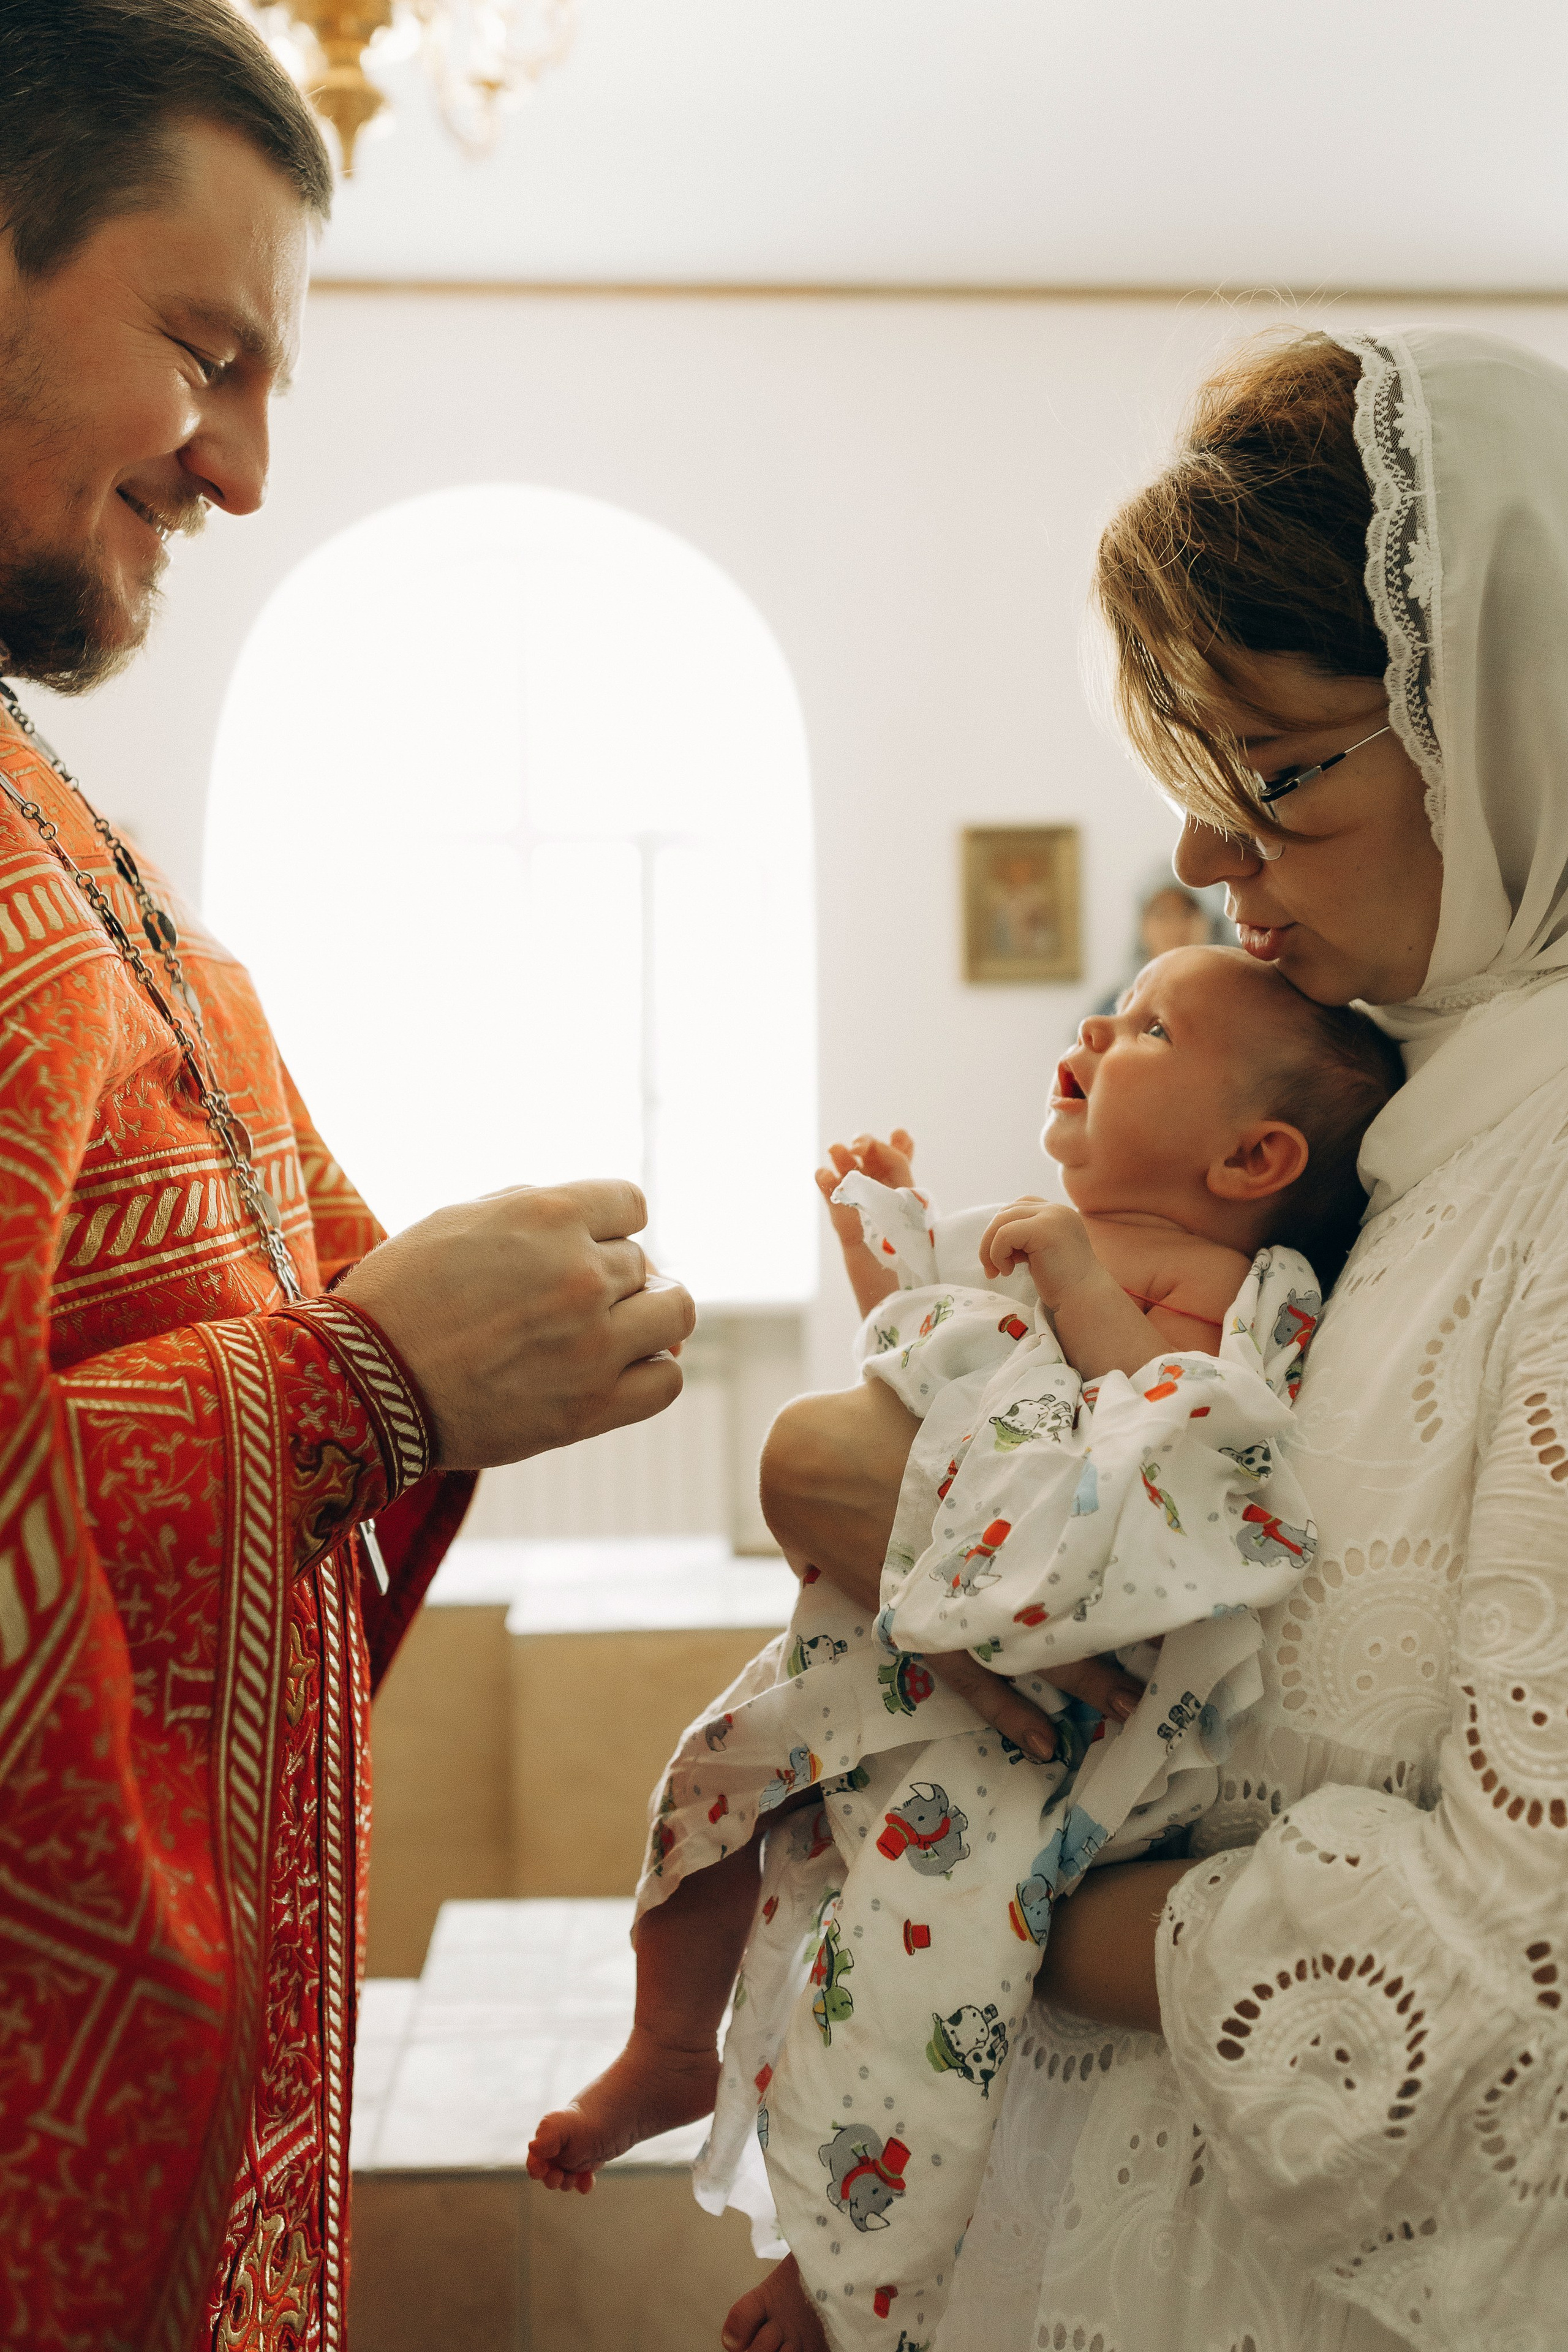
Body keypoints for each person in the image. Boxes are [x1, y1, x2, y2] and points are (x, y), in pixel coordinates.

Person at [750, 325, 1568, 2352]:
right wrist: (854, 1475)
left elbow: (1511, 1976)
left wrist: (971, 1916)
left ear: (1510, 715)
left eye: (1271, 771)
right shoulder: (1412, 1105)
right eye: (1195, 780)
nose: (1203, 857)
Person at [0, 7, 694, 2346]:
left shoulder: (49, 810)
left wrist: (453, 1332)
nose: (245, 469)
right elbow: (306, 1378)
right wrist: (347, 1390)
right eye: (206, 353)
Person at [527, 945, 1403, 2352]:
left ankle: (834, 2272)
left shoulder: (1219, 1277)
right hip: (894, 1628)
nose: (1098, 1027)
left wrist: (1074, 1276)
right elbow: (922, 1356)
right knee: (713, 1784)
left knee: (897, 1980)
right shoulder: (1039, 1226)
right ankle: (669, 2044)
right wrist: (877, 1240)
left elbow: (1169, 1419)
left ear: (1250, 1156)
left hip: (1021, 1719)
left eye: (1148, 1027)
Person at [1089, 870, 1229, 1016]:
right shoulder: (1111, 1011)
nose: (1174, 926)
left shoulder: (1230, 1001)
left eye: (1186, 913)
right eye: (1161, 913)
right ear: (1143, 925)